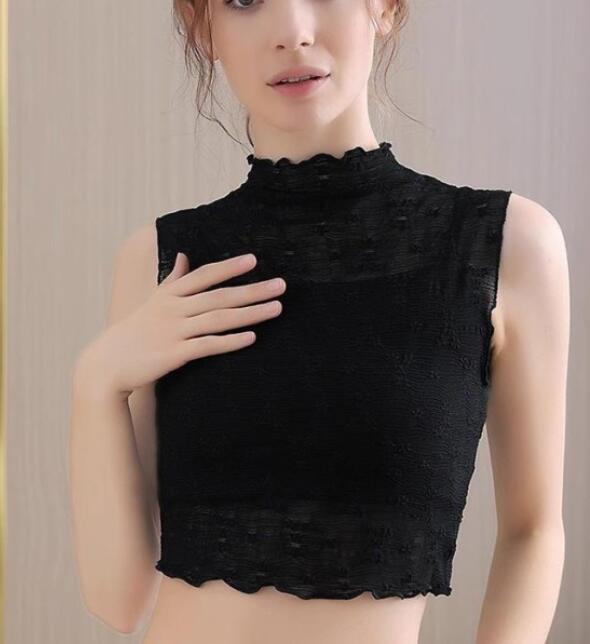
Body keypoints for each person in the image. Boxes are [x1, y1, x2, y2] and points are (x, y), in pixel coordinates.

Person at [68, 0, 569, 642]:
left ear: (384, 8)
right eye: (245, 0)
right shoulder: (162, 261)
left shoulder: (504, 245)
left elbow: (532, 531)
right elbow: (119, 600)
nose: (292, 33)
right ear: (204, 28)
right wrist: (97, 381)